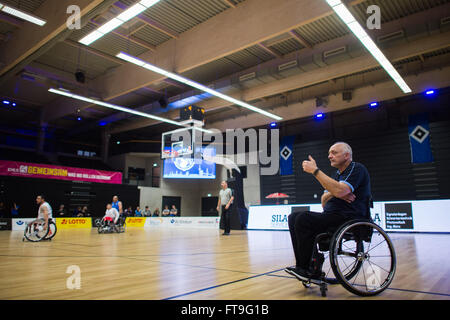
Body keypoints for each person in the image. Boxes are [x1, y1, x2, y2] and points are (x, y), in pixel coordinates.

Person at [285, 142, 371, 281]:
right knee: (293, 217)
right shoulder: (336, 175)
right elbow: (324, 201)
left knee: (303, 218)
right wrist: (335, 192)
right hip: (332, 214)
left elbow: (340, 190)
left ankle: (307, 269)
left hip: (350, 217)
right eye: (329, 153)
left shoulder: (357, 169)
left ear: (347, 155)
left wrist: (316, 172)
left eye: (334, 152)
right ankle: (304, 266)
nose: (330, 156)